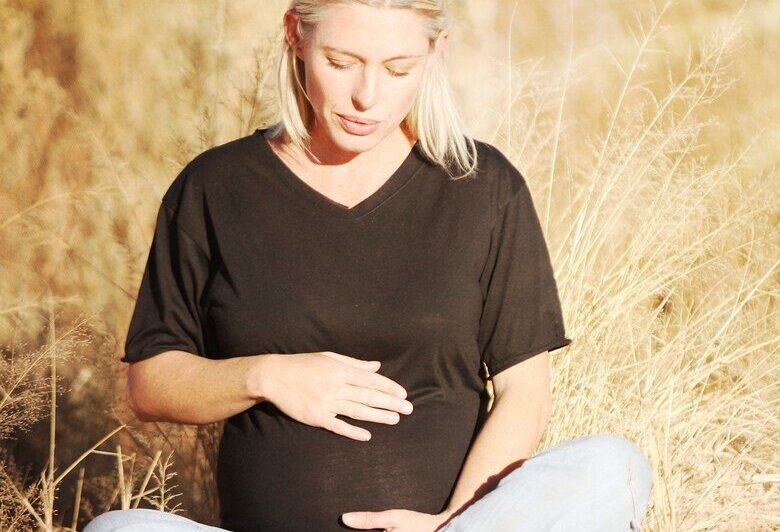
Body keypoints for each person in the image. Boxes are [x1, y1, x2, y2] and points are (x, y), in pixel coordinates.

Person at [85, 1, 651, 531]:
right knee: (116, 528)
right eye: (341, 62)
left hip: (451, 529)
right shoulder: (215, 186)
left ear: (436, 52)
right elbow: (150, 383)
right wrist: (266, 376)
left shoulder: (483, 187)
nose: (367, 96)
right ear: (296, 36)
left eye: (399, 68)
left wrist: (451, 521)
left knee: (612, 465)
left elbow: (525, 391)